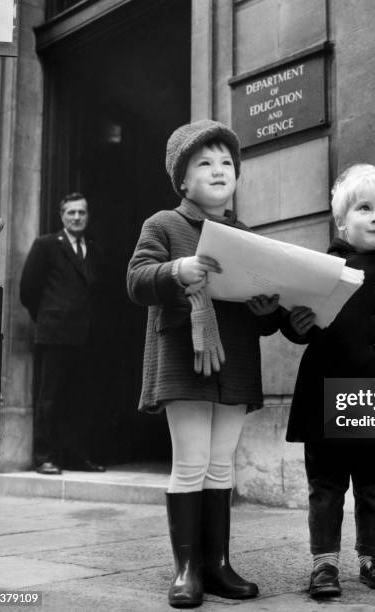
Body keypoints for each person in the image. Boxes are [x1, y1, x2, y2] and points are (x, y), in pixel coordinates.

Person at [126, 119, 281, 608]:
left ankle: (217, 565)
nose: (219, 170)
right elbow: (136, 280)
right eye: (205, 163)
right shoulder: (163, 225)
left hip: (233, 360)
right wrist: (177, 269)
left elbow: (259, 314)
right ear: (182, 179)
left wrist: (266, 309)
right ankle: (187, 569)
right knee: (191, 462)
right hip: (182, 358)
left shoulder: (244, 235)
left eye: (227, 163)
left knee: (221, 465)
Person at [282, 164, 375, 599]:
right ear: (341, 219)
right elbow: (297, 328)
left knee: (374, 486)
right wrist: (297, 321)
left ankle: (372, 556)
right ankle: (324, 563)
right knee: (325, 487)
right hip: (327, 393)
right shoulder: (322, 266)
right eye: (364, 208)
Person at [20, 193, 106, 475]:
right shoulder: (46, 245)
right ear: (62, 216)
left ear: (88, 215)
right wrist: (47, 319)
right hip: (54, 334)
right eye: (71, 213)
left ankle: (75, 456)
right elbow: (28, 290)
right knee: (50, 398)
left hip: (84, 336)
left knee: (80, 398)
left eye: (81, 212)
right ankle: (44, 456)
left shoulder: (93, 249)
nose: (77, 218)